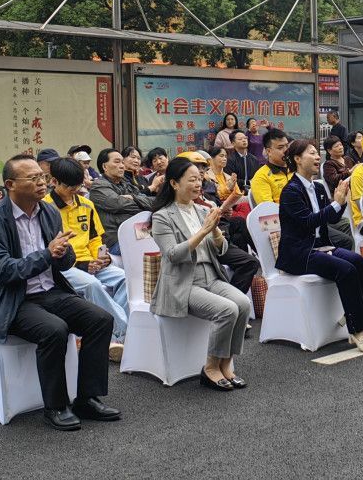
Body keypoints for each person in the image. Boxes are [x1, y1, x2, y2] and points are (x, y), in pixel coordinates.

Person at [0, 154, 119, 430]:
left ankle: (87, 398)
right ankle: (55, 406)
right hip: (13, 299)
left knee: (100, 319)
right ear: (10, 184)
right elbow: (3, 271)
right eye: (33, 179)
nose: (42, 183)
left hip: (50, 291)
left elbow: (62, 264)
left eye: (42, 177)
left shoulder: (49, 212)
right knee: (54, 330)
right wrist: (47, 254)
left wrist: (63, 253)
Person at [150, 158, 251, 391]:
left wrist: (215, 231)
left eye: (200, 179)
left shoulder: (201, 210)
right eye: (192, 179)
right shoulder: (162, 216)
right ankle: (211, 367)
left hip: (211, 276)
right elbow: (173, 255)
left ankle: (226, 363)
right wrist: (204, 230)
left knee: (243, 304)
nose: (198, 184)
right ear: (174, 183)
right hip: (183, 282)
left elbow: (222, 250)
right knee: (227, 310)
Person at [276, 140, 363, 353]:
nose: (318, 157)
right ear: (297, 159)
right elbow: (308, 222)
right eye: (312, 153)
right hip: (298, 252)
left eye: (317, 153)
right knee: (345, 269)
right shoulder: (291, 191)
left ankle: (358, 319)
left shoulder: (318, 187)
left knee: (357, 260)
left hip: (319, 246)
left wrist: (341, 200)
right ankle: (358, 330)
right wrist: (336, 203)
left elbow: (330, 218)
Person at [43, 158, 130, 361]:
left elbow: (94, 237)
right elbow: (54, 250)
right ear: (54, 182)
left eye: (79, 185)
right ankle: (124, 331)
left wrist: (101, 259)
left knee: (125, 278)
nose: (76, 190)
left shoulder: (87, 205)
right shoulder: (46, 208)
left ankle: (116, 337)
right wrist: (83, 264)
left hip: (91, 262)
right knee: (92, 285)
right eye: (70, 186)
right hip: (64, 267)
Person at [177, 151, 259, 296]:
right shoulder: (177, 196)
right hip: (203, 242)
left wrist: (223, 210)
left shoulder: (206, 188)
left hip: (219, 234)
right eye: (196, 167)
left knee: (239, 229)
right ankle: (231, 302)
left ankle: (234, 301)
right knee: (249, 261)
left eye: (203, 168)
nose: (201, 171)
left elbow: (215, 207)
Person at [89, 149, 155, 254]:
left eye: (122, 162)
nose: (122, 166)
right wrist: (142, 204)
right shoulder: (98, 186)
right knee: (150, 249)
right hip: (115, 241)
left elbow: (154, 202)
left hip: (137, 233)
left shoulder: (126, 184)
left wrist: (133, 198)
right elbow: (119, 205)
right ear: (104, 167)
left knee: (160, 241)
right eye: (117, 162)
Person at [251, 128, 292, 205]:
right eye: (280, 147)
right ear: (268, 151)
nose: (286, 150)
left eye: (287, 146)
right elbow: (268, 212)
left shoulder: (296, 169)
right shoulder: (261, 177)